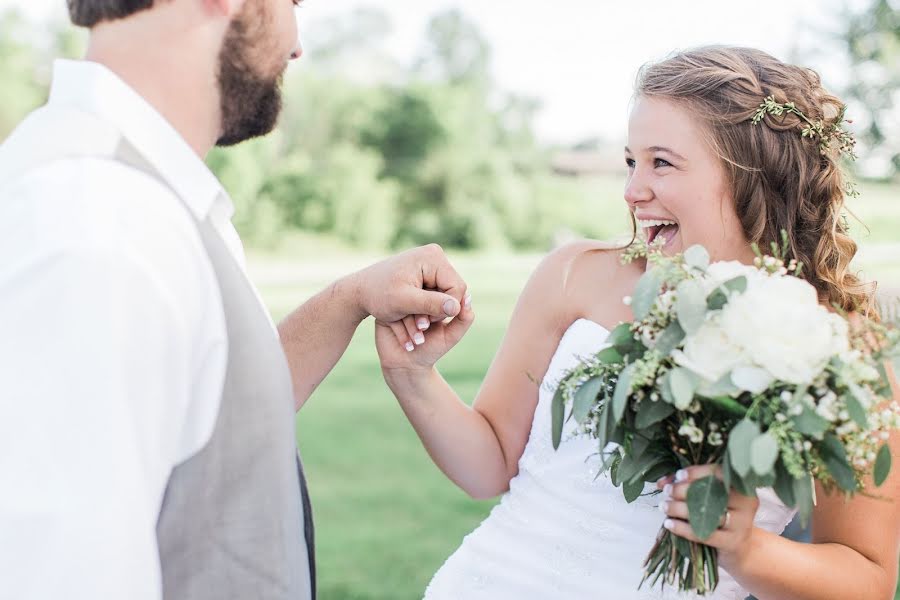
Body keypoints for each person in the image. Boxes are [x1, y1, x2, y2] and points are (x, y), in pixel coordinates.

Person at [376, 46, 900, 599]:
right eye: (631, 161)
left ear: (754, 175)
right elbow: (489, 467)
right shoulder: (576, 275)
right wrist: (412, 375)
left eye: (662, 162)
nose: (632, 191)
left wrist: (746, 549)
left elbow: (866, 578)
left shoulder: (844, 349)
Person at [0, 1, 471, 599]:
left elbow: (212, 413)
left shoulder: (138, 203)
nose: (297, 45)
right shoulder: (98, 227)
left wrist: (351, 298)